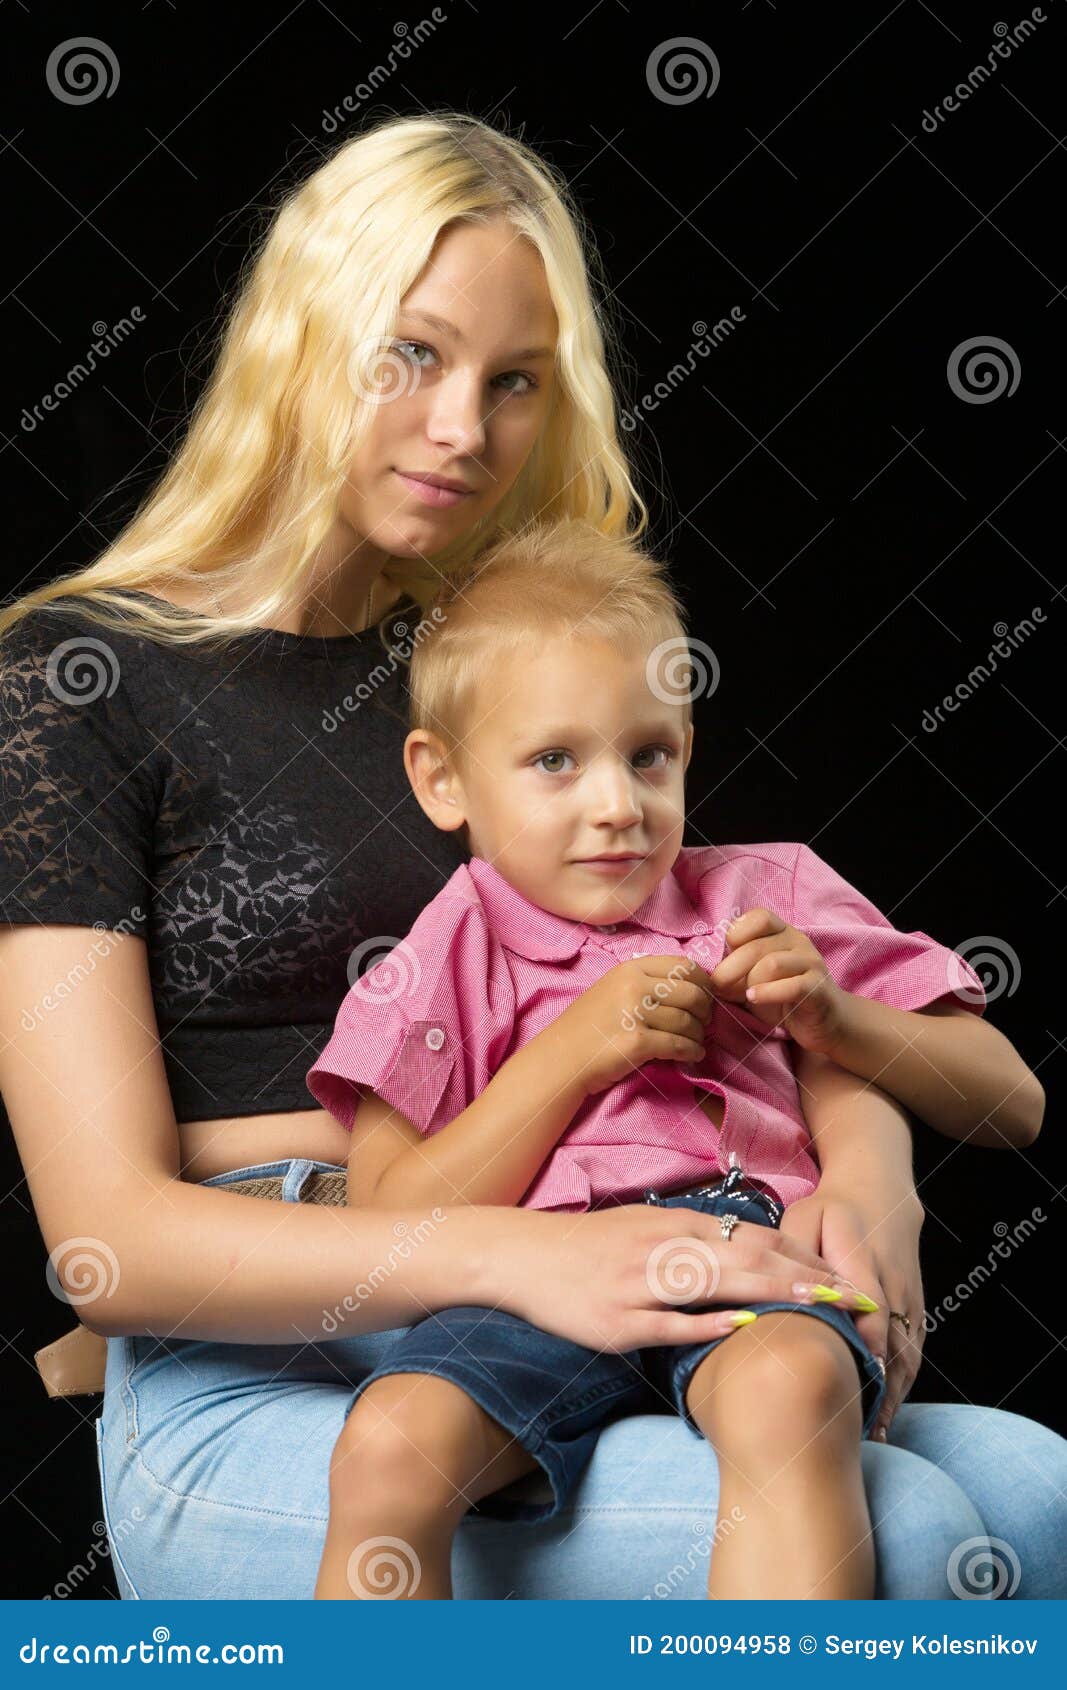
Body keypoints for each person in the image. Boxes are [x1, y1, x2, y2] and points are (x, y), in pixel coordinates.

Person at [1, 112, 1065, 1602]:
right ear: (300, 338)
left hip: (608, 1233)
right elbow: (103, 1230)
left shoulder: (507, 650)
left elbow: (710, 943)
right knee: (940, 1540)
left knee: (1034, 1488)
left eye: (512, 382)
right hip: (268, 1335)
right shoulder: (78, 676)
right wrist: (504, 1257)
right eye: (411, 356)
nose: (461, 431)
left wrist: (865, 1152)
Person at [303, 520, 1046, 1600]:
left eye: (646, 753)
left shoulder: (766, 891)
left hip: (745, 1248)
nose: (616, 804)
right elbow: (387, 1222)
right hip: (531, 1274)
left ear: (686, 749)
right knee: (388, 1443)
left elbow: (1010, 1102)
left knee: (789, 1389)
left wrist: (835, 1020)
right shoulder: (441, 950)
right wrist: (571, 1054)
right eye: (553, 761)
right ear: (443, 779)